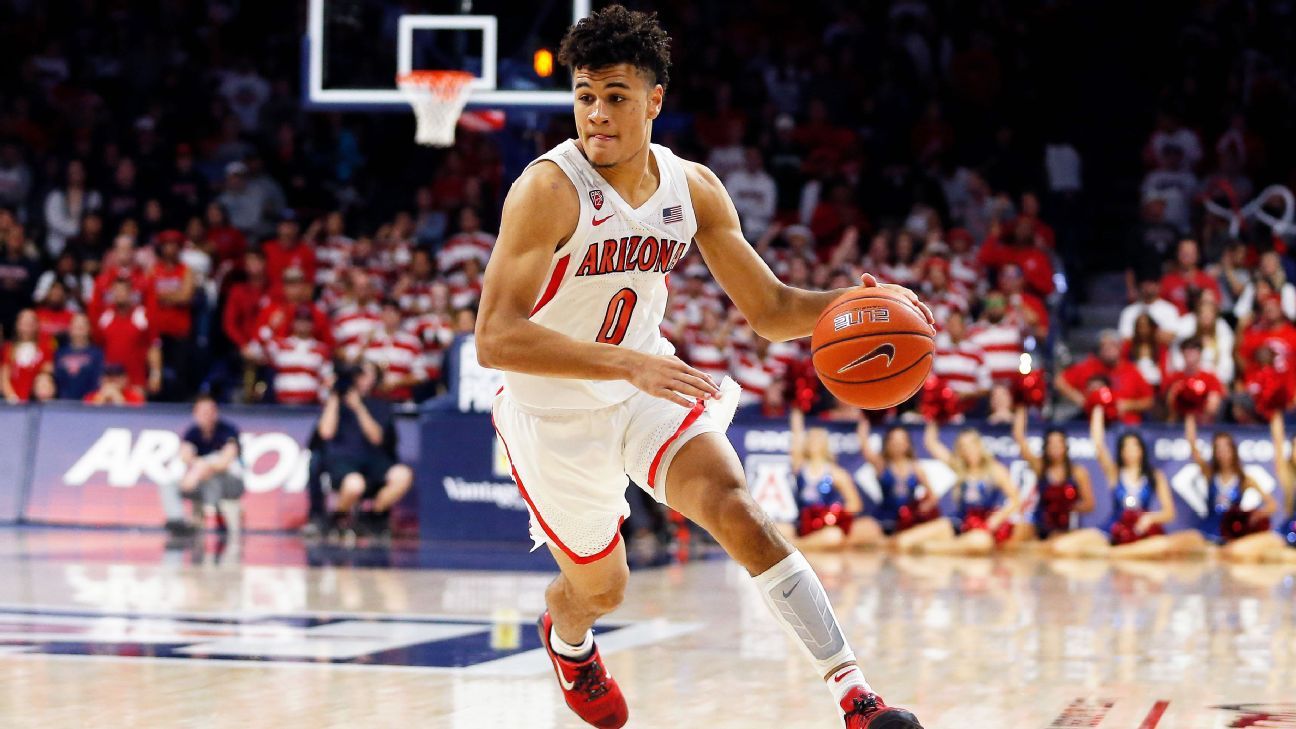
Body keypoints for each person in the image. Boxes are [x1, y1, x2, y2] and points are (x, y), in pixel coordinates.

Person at [473, 7, 925, 728]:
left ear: (655, 100)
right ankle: (567, 640)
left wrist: (858, 302)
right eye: (585, 95)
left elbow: (772, 308)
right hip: (551, 411)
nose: (596, 113)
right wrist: (626, 365)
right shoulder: (547, 190)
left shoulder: (694, 190)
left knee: (737, 508)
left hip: (644, 383)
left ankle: (854, 693)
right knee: (601, 588)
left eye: (616, 96)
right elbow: (494, 338)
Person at [1051, 408, 1176, 558]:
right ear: (1121, 452)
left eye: (1134, 446)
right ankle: (1117, 553)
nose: (1130, 451)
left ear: (1141, 450)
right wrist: (1097, 409)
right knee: (1064, 546)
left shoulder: (1155, 475)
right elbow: (1098, 444)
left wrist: (1149, 518)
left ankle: (1114, 554)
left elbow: (1169, 512)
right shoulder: (1114, 473)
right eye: (1126, 447)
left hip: (1142, 529)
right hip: (1114, 527)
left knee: (1163, 546)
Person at [317, 360, 413, 541]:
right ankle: (339, 517)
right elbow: (326, 432)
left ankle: (374, 516)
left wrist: (359, 407)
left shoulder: (381, 405)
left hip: (374, 460)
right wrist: (335, 395)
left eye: (367, 374)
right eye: (359, 374)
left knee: (403, 475)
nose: (362, 379)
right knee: (355, 483)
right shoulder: (337, 401)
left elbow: (376, 437)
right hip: (345, 461)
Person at [892, 423, 1018, 555]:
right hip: (959, 522)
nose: (969, 450)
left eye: (972, 444)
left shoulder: (995, 469)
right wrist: (933, 415)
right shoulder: (959, 468)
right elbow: (931, 443)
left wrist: (996, 519)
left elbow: (1015, 499)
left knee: (980, 542)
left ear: (979, 445)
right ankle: (943, 548)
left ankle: (934, 548)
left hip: (983, 526)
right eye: (964, 446)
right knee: (904, 541)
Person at [781, 408, 877, 550]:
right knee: (778, 528)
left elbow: (855, 503)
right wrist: (797, 414)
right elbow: (796, 444)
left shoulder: (836, 472)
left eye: (818, 439)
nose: (814, 442)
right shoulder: (800, 467)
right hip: (804, 523)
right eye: (811, 438)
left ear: (825, 443)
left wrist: (831, 514)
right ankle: (803, 545)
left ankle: (796, 547)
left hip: (827, 525)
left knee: (835, 535)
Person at [158, 395, 243, 537]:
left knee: (212, 467)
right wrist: (198, 467)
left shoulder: (228, 430)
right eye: (202, 412)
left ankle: (216, 518)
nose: (207, 416)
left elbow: (224, 461)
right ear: (195, 414)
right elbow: (185, 455)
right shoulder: (193, 433)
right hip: (201, 483)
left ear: (216, 412)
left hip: (230, 483)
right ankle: (177, 521)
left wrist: (202, 468)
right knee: (169, 484)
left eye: (210, 411)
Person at [1011, 405, 1094, 545]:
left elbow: (1090, 504)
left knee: (1059, 542)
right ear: (1046, 447)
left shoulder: (1077, 472)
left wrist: (1066, 506)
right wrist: (1022, 404)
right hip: (1041, 524)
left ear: (1065, 445)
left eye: (1058, 443)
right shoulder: (1040, 467)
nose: (1055, 447)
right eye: (1051, 443)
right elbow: (1019, 438)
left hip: (1066, 527)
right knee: (1017, 534)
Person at [856, 418, 938, 537]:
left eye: (901, 440)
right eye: (894, 440)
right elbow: (865, 449)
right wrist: (865, 420)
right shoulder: (882, 464)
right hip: (884, 517)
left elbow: (932, 497)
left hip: (909, 519)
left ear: (908, 444)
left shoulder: (916, 468)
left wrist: (921, 508)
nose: (897, 444)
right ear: (887, 443)